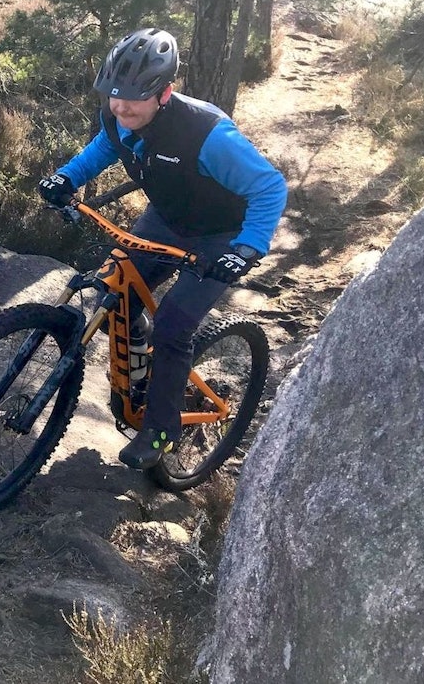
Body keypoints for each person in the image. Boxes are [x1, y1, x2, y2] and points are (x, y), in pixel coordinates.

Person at [38, 27, 287, 470]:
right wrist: (67, 177)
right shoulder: (119, 115)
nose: (119, 107)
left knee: (174, 324)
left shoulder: (207, 134)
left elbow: (269, 187)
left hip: (219, 236)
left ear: (164, 92)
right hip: (166, 221)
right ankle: (142, 372)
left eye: (133, 98)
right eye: (113, 96)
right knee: (115, 291)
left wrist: (247, 247)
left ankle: (162, 429)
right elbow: (104, 147)